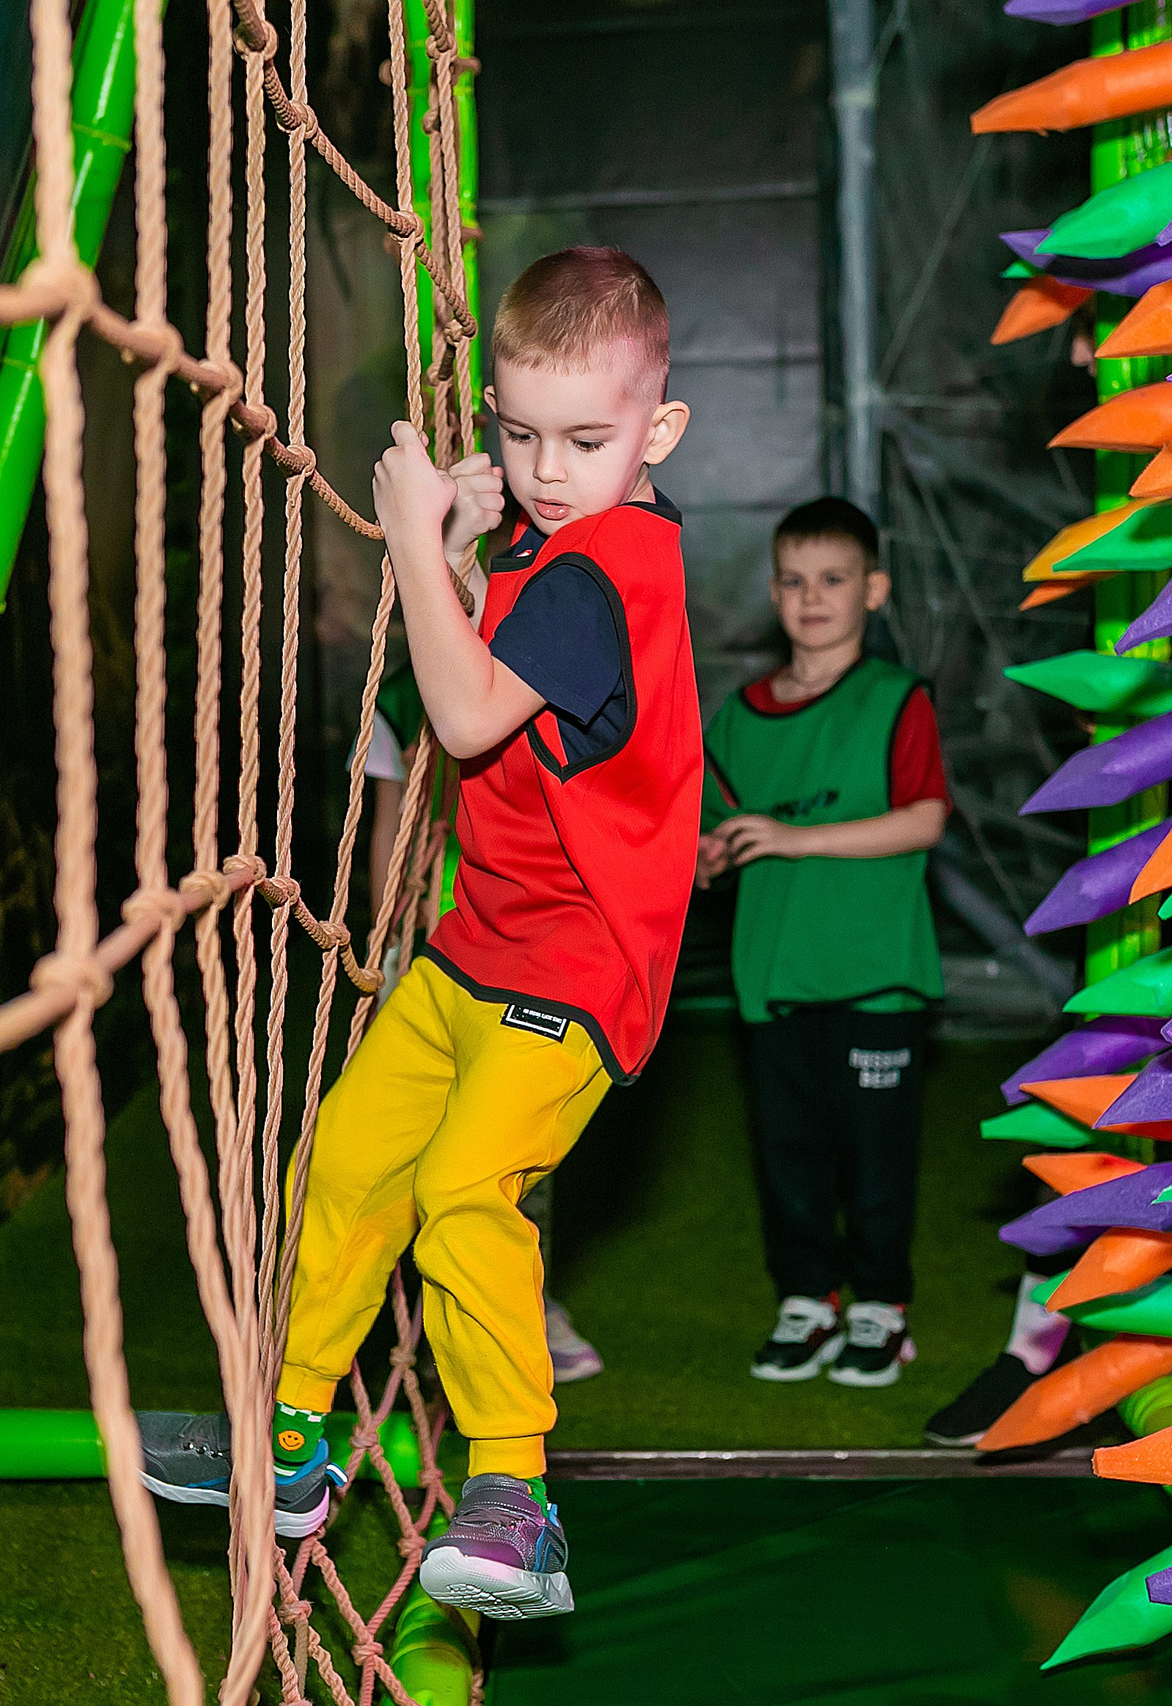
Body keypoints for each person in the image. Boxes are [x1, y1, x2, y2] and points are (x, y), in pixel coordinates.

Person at [146, 246, 696, 1622]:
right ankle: (289, 1440)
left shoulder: (610, 565)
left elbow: (457, 722)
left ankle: (516, 1493)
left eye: (587, 439)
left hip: (577, 968)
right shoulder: (547, 546)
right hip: (477, 945)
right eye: (520, 434)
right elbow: (490, 646)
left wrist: (404, 539)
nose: (549, 467)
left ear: (660, 432)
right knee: (340, 1160)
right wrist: (460, 546)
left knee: (461, 1188)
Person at [696, 497, 950, 1390]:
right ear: (773, 593)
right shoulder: (739, 715)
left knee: (875, 1162)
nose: (812, 599)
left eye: (834, 580)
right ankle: (807, 1297)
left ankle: (881, 1304)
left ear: (873, 590)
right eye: (795, 581)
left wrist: (794, 836)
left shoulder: (896, 700)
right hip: (773, 980)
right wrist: (706, 857)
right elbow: (715, 835)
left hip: (875, 980)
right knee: (788, 1156)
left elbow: (924, 819)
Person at [364, 671, 605, 1384]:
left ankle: (525, 1300)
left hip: (524, 953)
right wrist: (387, 934)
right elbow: (386, 818)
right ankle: (434, 1320)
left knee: (512, 1149)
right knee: (411, 1147)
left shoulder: (537, 666)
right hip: (430, 953)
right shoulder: (398, 698)